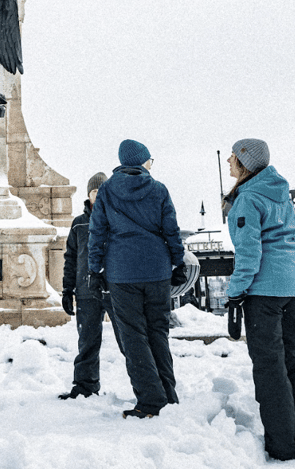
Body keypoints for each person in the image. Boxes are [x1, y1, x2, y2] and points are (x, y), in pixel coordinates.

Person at [223, 139, 295, 460]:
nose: (228, 159)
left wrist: (235, 291)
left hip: (265, 291)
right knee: (293, 361)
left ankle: (283, 446)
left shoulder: (247, 200)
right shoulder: (279, 194)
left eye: (234, 154)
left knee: (270, 367)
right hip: (294, 287)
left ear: (245, 163)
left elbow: (249, 252)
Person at [88, 139, 186, 419]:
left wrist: (95, 270)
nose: (151, 165)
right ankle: (168, 393)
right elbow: (171, 230)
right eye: (149, 160)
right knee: (158, 332)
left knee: (134, 336)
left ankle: (149, 399)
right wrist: (177, 261)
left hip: (122, 273)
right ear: (142, 161)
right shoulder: (158, 189)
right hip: (157, 271)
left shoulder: (106, 191)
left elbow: (98, 233)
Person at [59, 172, 123, 400]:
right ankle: (85, 386)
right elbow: (71, 258)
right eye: (95, 191)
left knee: (127, 341)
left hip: (115, 290)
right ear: (88, 195)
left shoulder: (118, 218)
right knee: (87, 342)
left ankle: (144, 386)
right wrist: (67, 290)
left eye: (102, 190)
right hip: (86, 292)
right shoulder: (79, 224)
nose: (98, 195)